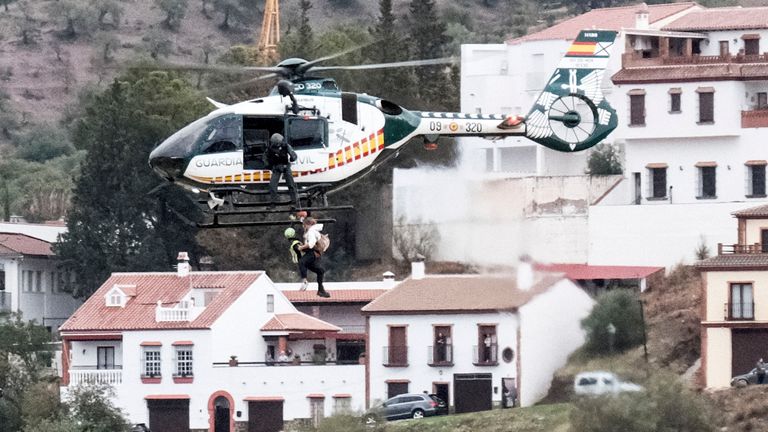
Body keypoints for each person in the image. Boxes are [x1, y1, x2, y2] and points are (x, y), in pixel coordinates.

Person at [298, 217, 330, 298]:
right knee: (320, 271)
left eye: (304, 225)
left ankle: (304, 281)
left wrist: (301, 248)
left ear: (308, 224)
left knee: (302, 262)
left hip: (313, 253)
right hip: (315, 253)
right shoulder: (313, 231)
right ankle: (321, 290)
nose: (303, 227)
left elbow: (311, 244)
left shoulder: (311, 231)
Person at [266, 133, 299, 207]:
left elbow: (293, 155)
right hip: (277, 167)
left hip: (285, 166)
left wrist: (291, 158)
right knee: (272, 185)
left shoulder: (286, 145)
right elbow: (265, 157)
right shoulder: (270, 148)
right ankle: (273, 202)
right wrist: (270, 166)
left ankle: (294, 202)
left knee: (291, 184)